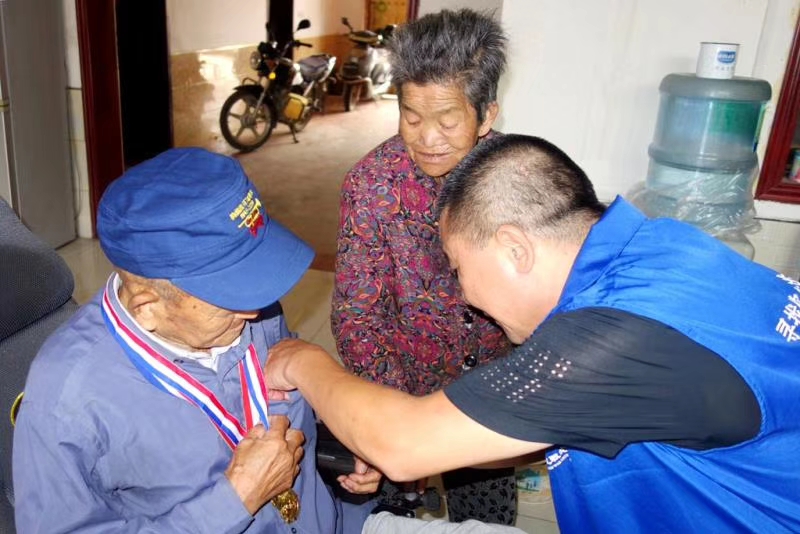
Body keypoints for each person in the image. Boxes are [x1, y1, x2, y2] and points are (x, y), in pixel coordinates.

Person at [267, 134, 800, 533]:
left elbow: (403, 444)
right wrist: (444, 445)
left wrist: (301, 360)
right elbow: (523, 429)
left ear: (514, 249)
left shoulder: (613, 340)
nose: (463, 294)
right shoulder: (659, 248)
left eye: (458, 267)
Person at [12, 148, 378, 533]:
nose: (256, 308)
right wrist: (234, 499)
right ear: (147, 308)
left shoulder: (248, 304)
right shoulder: (66, 401)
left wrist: (343, 432)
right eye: (230, 293)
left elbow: (288, 402)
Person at [331, 9, 516, 524]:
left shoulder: (516, 179)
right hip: (400, 389)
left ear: (486, 115)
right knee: (390, 514)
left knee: (488, 516)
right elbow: (357, 318)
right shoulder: (371, 186)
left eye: (447, 120)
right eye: (411, 118)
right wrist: (399, 420)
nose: (427, 138)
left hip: (489, 392)